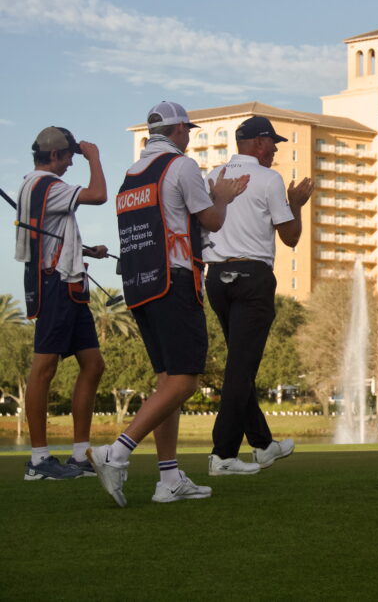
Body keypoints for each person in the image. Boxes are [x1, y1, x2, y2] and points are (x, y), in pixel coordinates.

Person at [88, 101, 249, 506]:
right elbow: (211, 220)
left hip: (139, 286)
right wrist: (224, 196)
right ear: (177, 131)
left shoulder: (132, 174)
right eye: (188, 131)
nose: (190, 136)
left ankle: (169, 478)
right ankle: (117, 452)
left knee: (167, 382)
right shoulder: (182, 166)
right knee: (184, 381)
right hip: (174, 281)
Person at [203, 116, 313, 476]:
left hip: (217, 277)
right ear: (258, 143)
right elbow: (291, 238)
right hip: (252, 277)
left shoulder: (213, 177)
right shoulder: (269, 179)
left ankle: (263, 445)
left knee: (240, 364)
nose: (277, 149)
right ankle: (222, 455)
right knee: (241, 367)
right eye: (273, 143)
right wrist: (296, 204)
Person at [15, 127, 107, 480]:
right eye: (68, 155)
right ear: (53, 155)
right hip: (57, 284)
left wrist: (86, 251)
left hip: (67, 283)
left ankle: (80, 455)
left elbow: (47, 237)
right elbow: (98, 195)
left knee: (93, 365)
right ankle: (38, 461)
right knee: (44, 368)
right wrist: (94, 156)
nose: (71, 162)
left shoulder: (32, 185)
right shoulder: (49, 186)